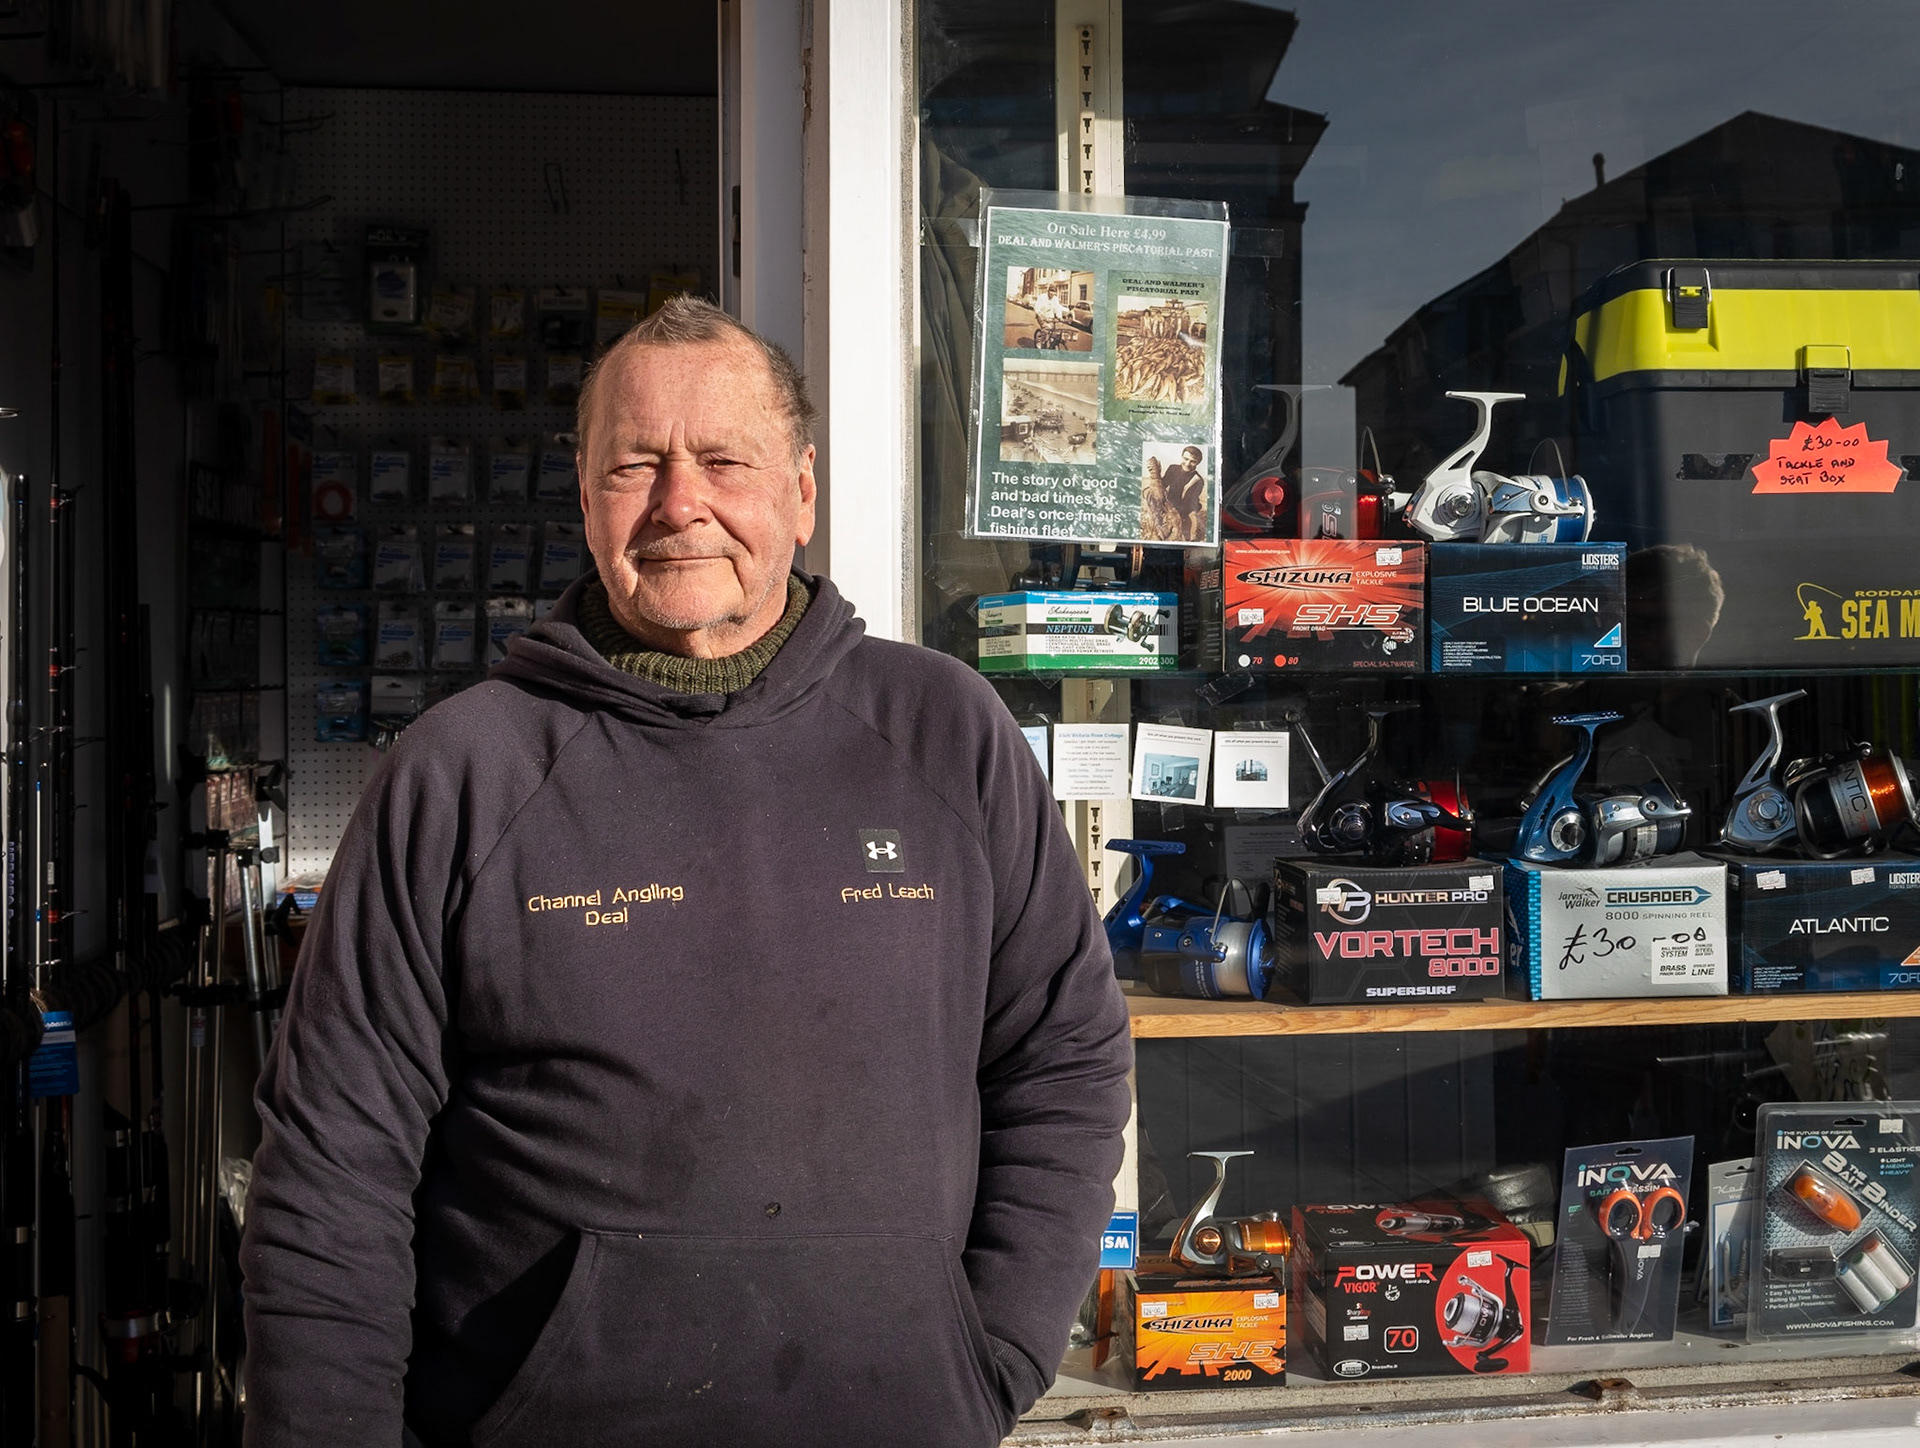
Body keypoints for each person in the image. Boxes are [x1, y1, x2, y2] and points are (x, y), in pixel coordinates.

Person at [239, 297, 1133, 1447]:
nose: (679, 503)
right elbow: (331, 1161)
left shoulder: (944, 733)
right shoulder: (464, 770)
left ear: (801, 488)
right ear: (583, 492)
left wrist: (992, 1349)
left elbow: (1062, 1053)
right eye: (636, 464)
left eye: (723, 459)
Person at [1159, 446, 1209, 540]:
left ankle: (1190, 538)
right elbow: (1163, 484)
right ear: (1182, 456)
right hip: (1170, 504)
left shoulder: (1198, 480)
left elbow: (1190, 502)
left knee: (1189, 528)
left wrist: (1175, 514)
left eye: (1193, 461)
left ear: (1198, 463)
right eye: (1186, 459)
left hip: (1187, 508)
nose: (1187, 463)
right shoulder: (1172, 468)